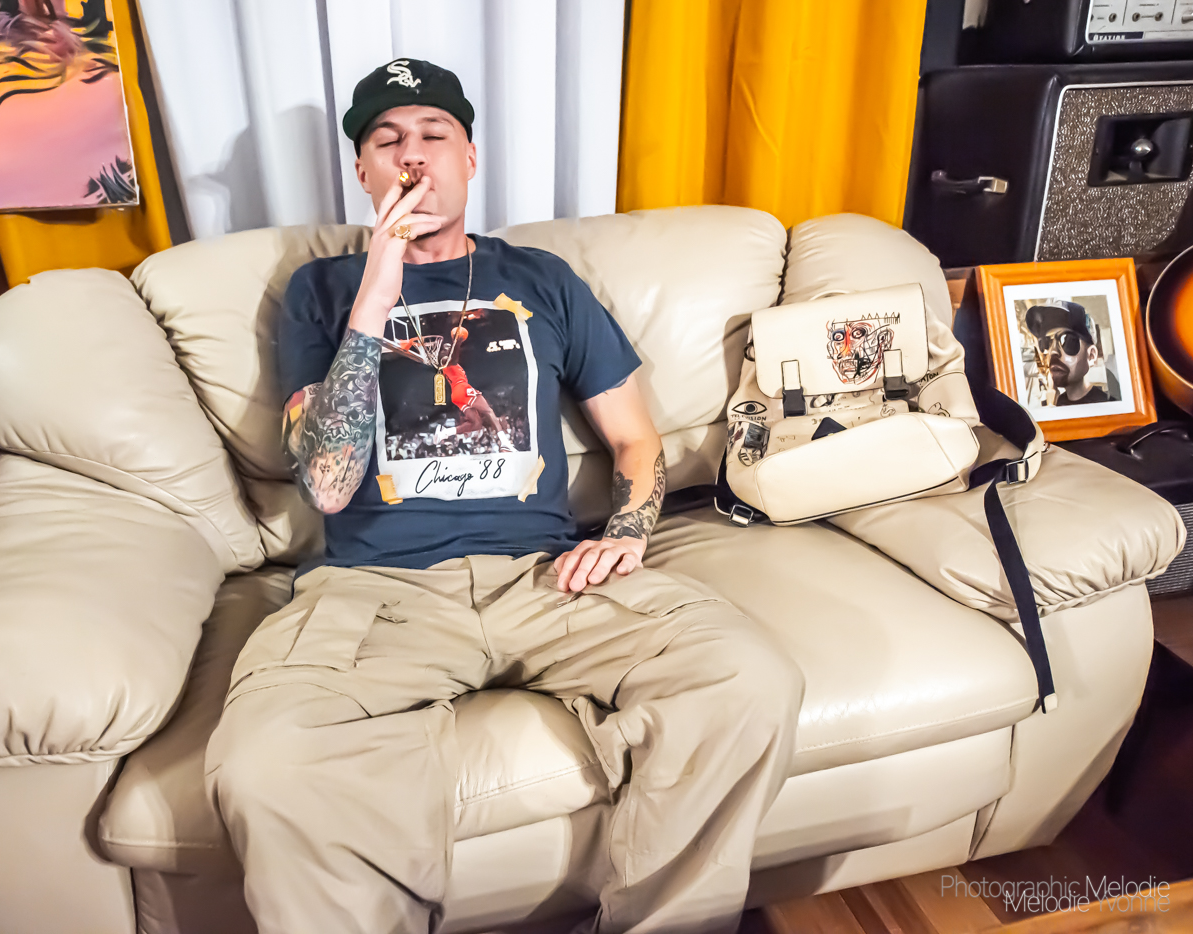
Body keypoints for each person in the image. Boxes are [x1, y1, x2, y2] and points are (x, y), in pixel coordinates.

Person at [205, 58, 804, 934]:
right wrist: (376, 294)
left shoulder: (542, 280)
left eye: (435, 135)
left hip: (544, 577)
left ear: (471, 158)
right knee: (267, 767)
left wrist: (629, 532)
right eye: (388, 141)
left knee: (747, 678)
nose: (413, 156)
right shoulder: (321, 291)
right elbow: (326, 486)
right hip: (379, 591)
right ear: (363, 171)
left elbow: (635, 441)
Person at [1025, 301, 1113, 406]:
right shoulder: (1053, 403)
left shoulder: (1108, 407)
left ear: (1091, 356)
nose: (1052, 352)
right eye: (1046, 342)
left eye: (1067, 340)